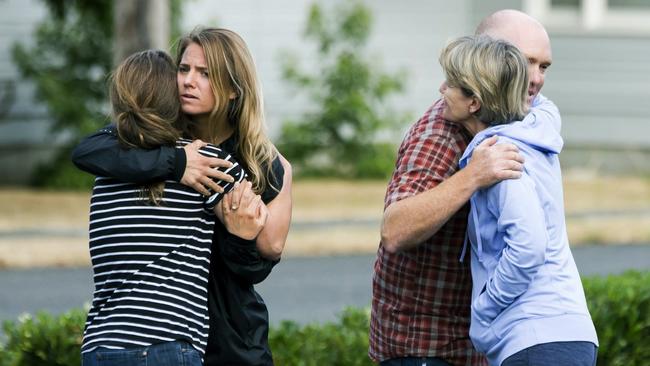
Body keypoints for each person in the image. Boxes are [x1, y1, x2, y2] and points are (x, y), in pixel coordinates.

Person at [73, 28, 292, 365]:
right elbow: (88, 150)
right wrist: (177, 163)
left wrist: (246, 233)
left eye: (205, 73)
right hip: (168, 339)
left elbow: (266, 252)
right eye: (184, 69)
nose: (189, 81)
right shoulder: (151, 143)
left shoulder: (255, 161)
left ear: (234, 89)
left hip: (228, 338)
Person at [370, 9, 554, 366]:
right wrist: (472, 176)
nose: (534, 78)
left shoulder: (514, 125)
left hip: (476, 346)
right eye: (524, 61)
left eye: (543, 67)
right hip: (426, 349)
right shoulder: (440, 135)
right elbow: (394, 230)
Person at [437, 35, 598, 366]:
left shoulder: (501, 157)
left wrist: (485, 307)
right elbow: (541, 102)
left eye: (451, 83)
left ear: (474, 102)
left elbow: (529, 246)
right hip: (561, 334)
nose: (441, 89)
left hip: (537, 339)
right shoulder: (535, 128)